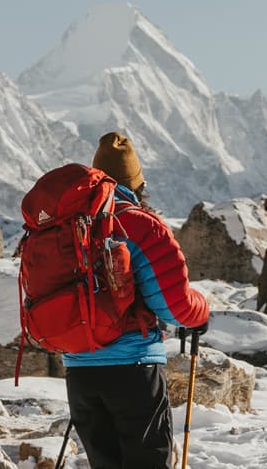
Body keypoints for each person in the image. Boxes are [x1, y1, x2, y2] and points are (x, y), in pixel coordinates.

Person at [61, 132, 209, 469]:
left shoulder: (69, 226)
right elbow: (175, 307)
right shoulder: (140, 225)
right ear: (138, 184)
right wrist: (202, 312)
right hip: (132, 371)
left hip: (80, 373)